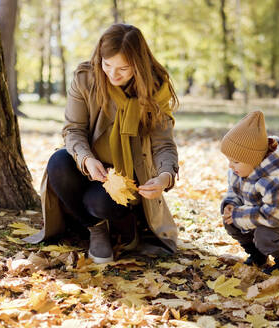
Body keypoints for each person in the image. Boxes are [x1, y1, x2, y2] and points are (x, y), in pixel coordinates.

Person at [24, 24, 179, 264]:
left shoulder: (155, 87)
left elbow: (163, 144)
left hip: (128, 175)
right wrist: (87, 159)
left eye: (123, 69)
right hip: (89, 165)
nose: (113, 75)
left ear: (138, 64)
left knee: (98, 202)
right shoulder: (86, 78)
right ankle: (96, 230)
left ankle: (127, 226)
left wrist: (164, 177)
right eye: (107, 65)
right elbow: (73, 130)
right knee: (58, 162)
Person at [220, 111, 279, 274]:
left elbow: (277, 217)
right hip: (259, 219)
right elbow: (234, 191)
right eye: (228, 160)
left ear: (254, 160)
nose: (230, 166)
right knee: (231, 222)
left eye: (235, 161)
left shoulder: (274, 181)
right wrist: (231, 205)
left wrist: (239, 215)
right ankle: (258, 255)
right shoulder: (239, 172)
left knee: (265, 234)